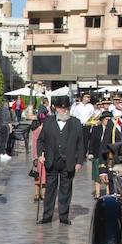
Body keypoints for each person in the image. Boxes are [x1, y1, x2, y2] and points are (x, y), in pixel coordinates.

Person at [37, 95, 87, 225]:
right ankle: (47, 216)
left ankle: (64, 216)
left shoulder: (76, 123)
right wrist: (40, 154)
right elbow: (41, 140)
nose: (64, 110)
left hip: (69, 161)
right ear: (55, 108)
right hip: (51, 161)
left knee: (66, 190)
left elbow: (81, 144)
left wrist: (79, 161)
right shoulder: (48, 122)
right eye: (60, 108)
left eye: (66, 108)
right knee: (50, 190)